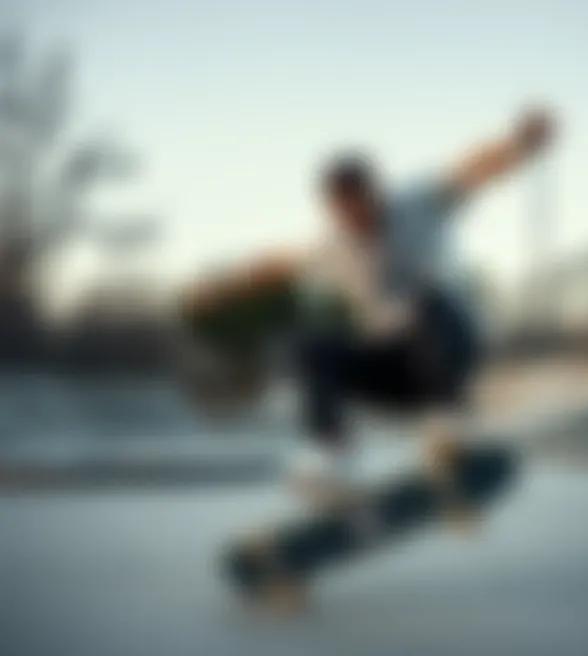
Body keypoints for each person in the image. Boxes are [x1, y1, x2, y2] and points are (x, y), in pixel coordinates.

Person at [185, 107, 556, 502]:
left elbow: (471, 171)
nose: (355, 218)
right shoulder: (329, 245)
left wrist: (517, 145)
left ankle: (449, 424)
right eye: (343, 211)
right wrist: (219, 291)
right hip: (395, 376)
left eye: (361, 204)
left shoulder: (418, 202)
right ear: (330, 208)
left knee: (426, 301)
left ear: (375, 192)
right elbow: (275, 265)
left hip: (451, 349)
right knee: (311, 344)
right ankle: (331, 450)